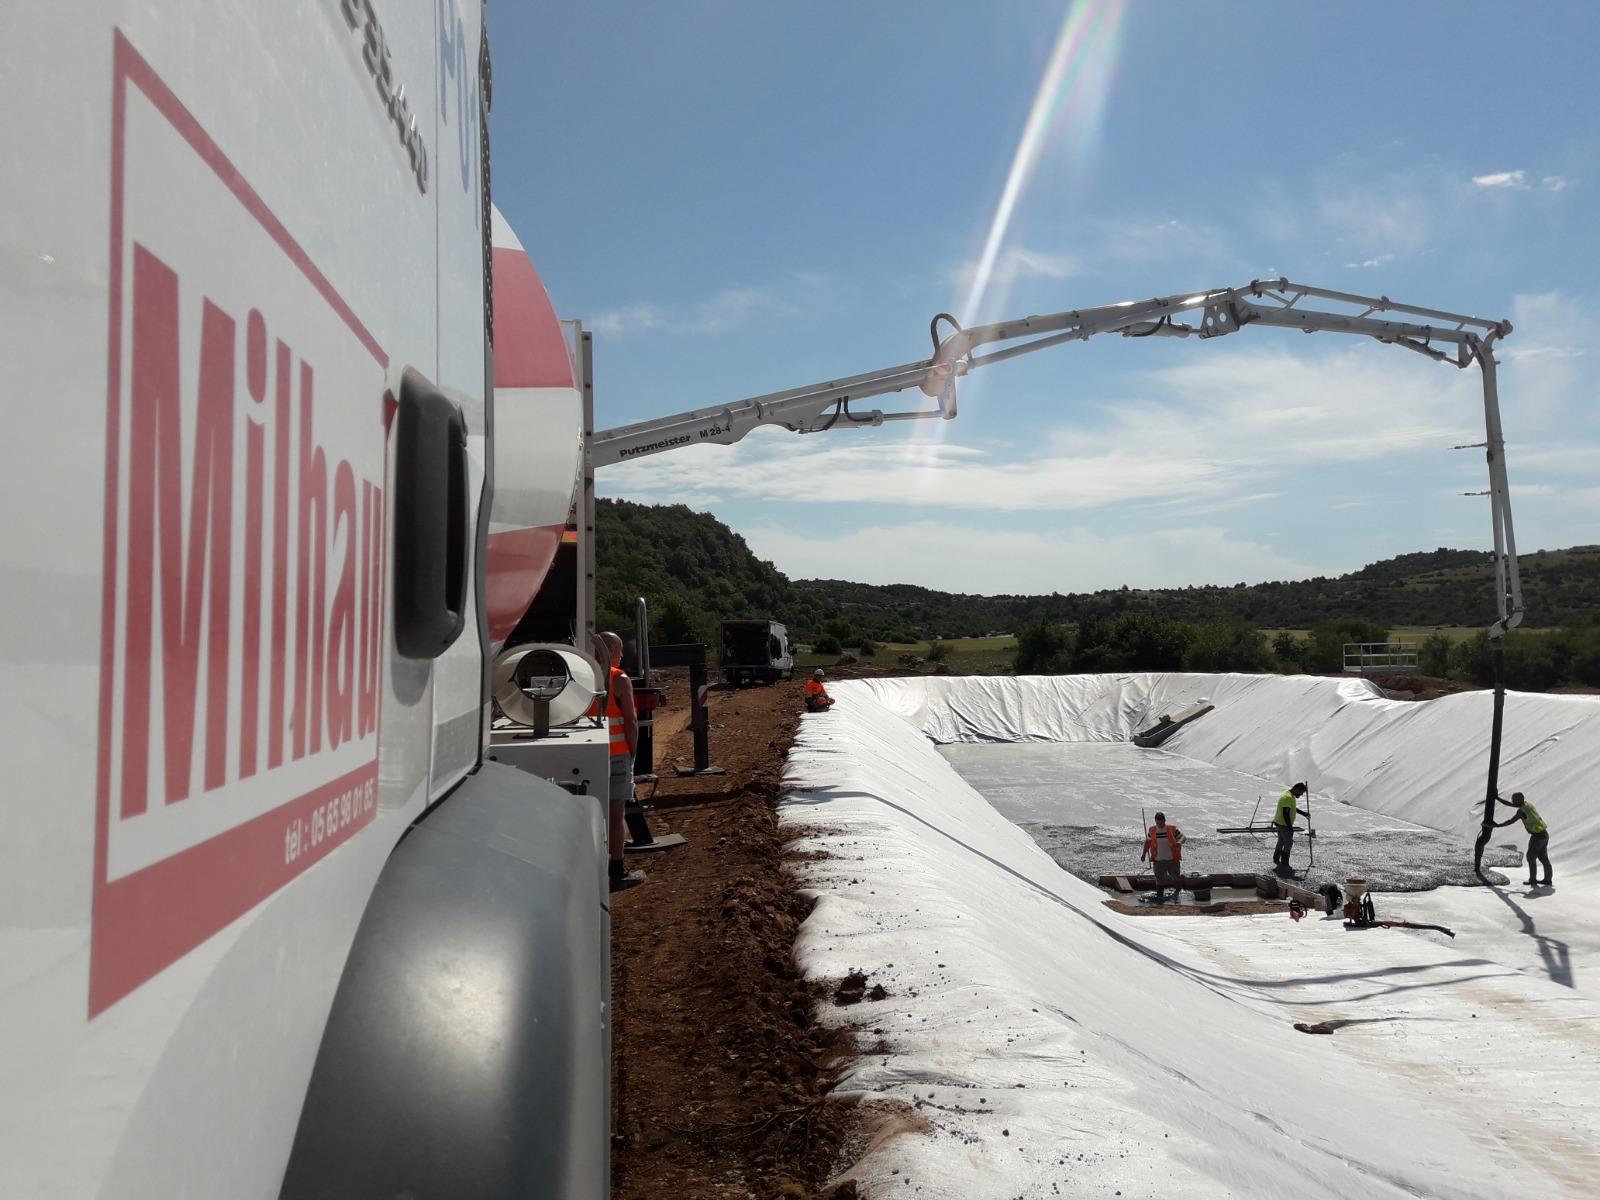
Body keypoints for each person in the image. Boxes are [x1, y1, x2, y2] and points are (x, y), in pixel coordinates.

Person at [595, 632, 646, 892]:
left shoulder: (581, 676)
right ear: (611, 652)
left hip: (587, 756)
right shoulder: (619, 678)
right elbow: (631, 721)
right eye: (620, 650)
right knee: (616, 813)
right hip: (616, 755)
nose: (623, 655)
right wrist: (632, 751)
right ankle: (616, 870)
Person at [1493, 791, 1552, 887]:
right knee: (1543, 857)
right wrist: (1498, 799)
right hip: (1544, 834)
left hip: (1537, 836)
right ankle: (1548, 879)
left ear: (1520, 799)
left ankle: (1533, 880)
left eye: (1514, 799)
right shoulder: (1526, 804)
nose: (1513, 801)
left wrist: (1497, 825)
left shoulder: (1521, 811)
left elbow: (1511, 821)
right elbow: (1511, 805)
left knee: (1530, 857)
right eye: (1513, 799)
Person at [1140, 811, 1185, 904]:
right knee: (1159, 880)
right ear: (1155, 821)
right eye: (1157, 823)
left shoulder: (1172, 829)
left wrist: (1179, 843)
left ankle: (1178, 894)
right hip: (1158, 860)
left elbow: (1183, 837)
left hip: (1172, 859)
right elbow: (1148, 842)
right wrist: (1144, 853)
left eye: (1161, 823)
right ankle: (1159, 898)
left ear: (1164, 821)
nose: (1159, 825)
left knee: (1176, 877)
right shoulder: (1152, 830)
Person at [1272, 782, 1310, 871]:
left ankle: (1276, 858)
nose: (1301, 795)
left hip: (1280, 823)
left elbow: (1293, 808)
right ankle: (1284, 863)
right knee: (1288, 843)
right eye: (1301, 793)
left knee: (1281, 841)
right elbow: (1286, 813)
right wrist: (1290, 827)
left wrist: (1304, 813)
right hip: (1283, 824)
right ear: (1297, 789)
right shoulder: (1287, 797)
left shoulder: (1290, 795)